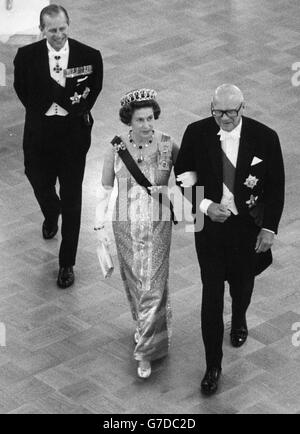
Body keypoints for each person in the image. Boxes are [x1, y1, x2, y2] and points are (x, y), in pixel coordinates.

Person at [175, 84, 285, 395]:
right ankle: (213, 365)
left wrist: (270, 228)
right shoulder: (196, 132)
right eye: (218, 112)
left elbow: (276, 187)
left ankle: (239, 317)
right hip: (209, 227)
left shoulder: (266, 137)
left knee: (242, 285)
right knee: (211, 296)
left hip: (248, 228)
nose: (224, 118)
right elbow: (183, 175)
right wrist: (206, 207)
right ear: (211, 107)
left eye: (231, 112)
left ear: (243, 108)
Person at [13, 4, 103, 288]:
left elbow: (94, 88)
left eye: (63, 29)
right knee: (37, 179)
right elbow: (22, 89)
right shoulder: (26, 57)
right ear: (42, 30)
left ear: (68, 25)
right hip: (39, 134)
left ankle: (67, 263)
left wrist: (70, 109)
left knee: (73, 199)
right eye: (52, 30)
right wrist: (44, 109)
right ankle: (52, 213)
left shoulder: (89, 56)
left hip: (72, 136)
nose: (58, 35)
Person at [95, 89, 179, 378]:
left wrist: (189, 202)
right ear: (128, 121)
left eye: (150, 118)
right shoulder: (115, 148)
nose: (147, 124)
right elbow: (105, 190)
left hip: (158, 225)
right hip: (125, 226)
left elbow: (191, 177)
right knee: (136, 284)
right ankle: (149, 327)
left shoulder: (168, 144)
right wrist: (99, 228)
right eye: (140, 119)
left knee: (151, 285)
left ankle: (145, 352)